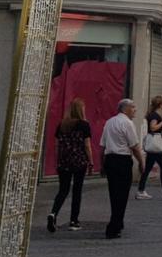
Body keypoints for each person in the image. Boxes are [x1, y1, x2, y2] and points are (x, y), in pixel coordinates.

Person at [101, 98, 145, 239]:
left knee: (114, 193)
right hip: (122, 161)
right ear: (125, 109)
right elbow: (134, 146)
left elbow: (102, 146)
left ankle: (117, 222)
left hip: (110, 160)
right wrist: (141, 162)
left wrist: (101, 163)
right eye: (133, 107)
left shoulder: (109, 122)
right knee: (122, 195)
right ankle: (114, 226)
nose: (135, 110)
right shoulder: (127, 123)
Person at [48, 98, 93, 233]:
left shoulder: (62, 125)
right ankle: (74, 221)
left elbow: (57, 145)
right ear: (81, 110)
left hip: (64, 162)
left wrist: (58, 159)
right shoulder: (84, 125)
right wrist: (91, 161)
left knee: (63, 190)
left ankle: (53, 213)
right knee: (77, 191)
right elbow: (87, 145)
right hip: (79, 161)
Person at [136, 95, 162, 201]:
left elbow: (161, 133)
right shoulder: (155, 116)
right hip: (156, 147)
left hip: (154, 146)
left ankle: (141, 191)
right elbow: (153, 128)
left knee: (148, 169)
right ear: (160, 104)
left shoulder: (154, 114)